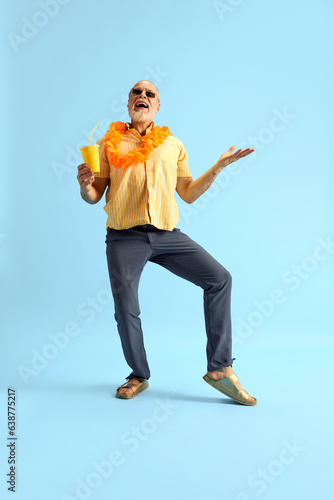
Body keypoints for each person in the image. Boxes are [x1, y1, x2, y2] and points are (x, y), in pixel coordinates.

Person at [77, 80, 257, 405]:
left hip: (166, 235)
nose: (142, 96)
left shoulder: (173, 145)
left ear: (158, 106)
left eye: (150, 94)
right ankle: (138, 375)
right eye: (136, 92)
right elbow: (94, 196)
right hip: (124, 236)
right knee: (126, 307)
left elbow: (187, 193)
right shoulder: (108, 143)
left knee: (219, 279)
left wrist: (218, 167)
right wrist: (85, 185)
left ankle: (219, 368)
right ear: (128, 102)